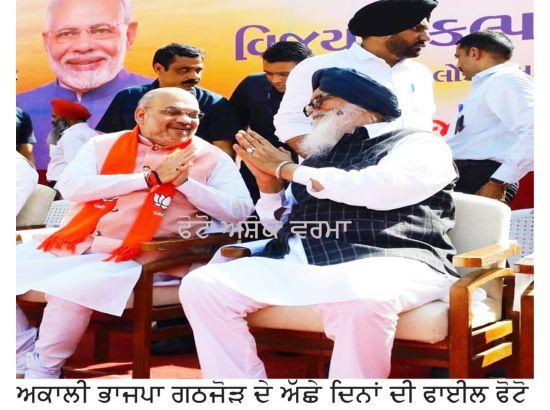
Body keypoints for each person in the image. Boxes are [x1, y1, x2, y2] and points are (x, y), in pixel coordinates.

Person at [179, 67, 461, 378]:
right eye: (309, 104)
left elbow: (379, 189)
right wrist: (269, 186)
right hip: (306, 261)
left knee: (358, 297)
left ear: (360, 103)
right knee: (204, 285)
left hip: (392, 259)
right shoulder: (318, 159)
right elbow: (283, 225)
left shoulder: (419, 144)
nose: (310, 111)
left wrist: (288, 169)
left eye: (319, 101)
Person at [16, 87, 254, 379]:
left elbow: (240, 210)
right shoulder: (101, 145)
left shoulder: (211, 156)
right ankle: (19, 353)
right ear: (141, 115)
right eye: (172, 111)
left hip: (147, 258)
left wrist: (185, 184)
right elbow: (71, 187)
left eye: (193, 115)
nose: (185, 120)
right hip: (79, 243)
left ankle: (43, 369)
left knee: (69, 287)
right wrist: (148, 179)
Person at [274, 0, 438, 158]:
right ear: (384, 30)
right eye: (417, 29)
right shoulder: (318, 66)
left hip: (413, 172)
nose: (427, 37)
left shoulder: (420, 73)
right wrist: (326, 164)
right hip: (340, 175)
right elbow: (290, 122)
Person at [16, 0, 150, 171]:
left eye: (101, 31)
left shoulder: (161, 95)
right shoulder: (19, 106)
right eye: (66, 33)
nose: (83, 46)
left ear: (129, 34)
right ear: (47, 42)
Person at [97, 43, 240, 157]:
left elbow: (223, 152)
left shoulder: (215, 103)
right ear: (158, 68)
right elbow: (107, 141)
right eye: (184, 70)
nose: (194, 77)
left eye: (198, 70)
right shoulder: (128, 97)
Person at [446, 30, 533, 204]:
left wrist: (499, 181)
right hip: (467, 176)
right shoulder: (491, 83)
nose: (457, 64)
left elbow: (536, 130)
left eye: (458, 56)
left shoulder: (506, 80)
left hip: (482, 177)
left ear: (474, 53)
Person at [230, 41, 313, 202]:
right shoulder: (252, 84)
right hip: (259, 171)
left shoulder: (326, 88)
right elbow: (232, 128)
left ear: (307, 68)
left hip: (308, 172)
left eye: (284, 74)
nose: (275, 80)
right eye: (268, 73)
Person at [46, 99, 98, 187]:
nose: (52, 120)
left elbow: (73, 166)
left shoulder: (72, 135)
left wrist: (59, 190)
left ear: (69, 119)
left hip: (63, 185)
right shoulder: (90, 132)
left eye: (54, 116)